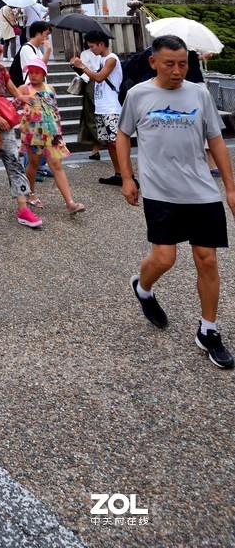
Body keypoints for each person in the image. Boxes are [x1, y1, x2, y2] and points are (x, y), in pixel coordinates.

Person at [118, 35, 235, 369]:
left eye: (183, 63)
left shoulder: (199, 93)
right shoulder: (138, 95)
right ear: (154, 62)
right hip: (160, 192)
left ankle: (208, 330)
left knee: (207, 260)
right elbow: (123, 134)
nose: (177, 71)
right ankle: (143, 287)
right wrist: (127, 177)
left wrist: (230, 188)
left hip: (201, 191)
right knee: (165, 258)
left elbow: (216, 141)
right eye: (170, 64)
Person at [0, 41, 41, 229]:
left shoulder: (2, 69)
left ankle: (22, 207)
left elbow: (12, 88)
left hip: (3, 119)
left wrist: (23, 98)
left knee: (13, 160)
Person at [20, 60, 85, 215]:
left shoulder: (51, 89)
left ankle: (70, 202)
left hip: (52, 133)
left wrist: (59, 128)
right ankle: (31, 193)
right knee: (33, 164)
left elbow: (55, 110)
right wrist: (25, 106)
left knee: (56, 165)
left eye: (37, 72)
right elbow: (16, 103)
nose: (33, 75)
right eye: (31, 72)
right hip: (33, 133)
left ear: (44, 74)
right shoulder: (24, 88)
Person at [70, 33, 124, 185]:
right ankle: (118, 174)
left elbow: (99, 77)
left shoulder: (111, 58)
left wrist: (83, 66)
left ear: (101, 44)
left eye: (92, 46)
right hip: (101, 106)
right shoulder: (101, 59)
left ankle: (128, 175)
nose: (91, 49)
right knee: (108, 142)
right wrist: (77, 67)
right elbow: (93, 77)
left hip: (110, 107)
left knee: (115, 142)